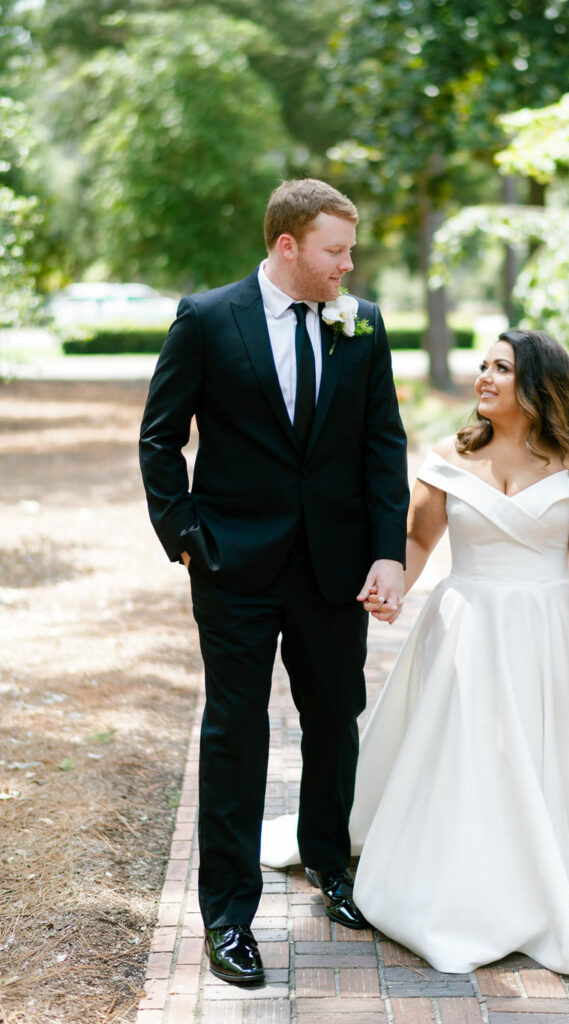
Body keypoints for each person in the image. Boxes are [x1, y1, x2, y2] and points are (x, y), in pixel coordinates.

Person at [260, 328, 569, 975]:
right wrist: (392, 588)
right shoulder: (448, 457)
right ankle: (469, 866)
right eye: (483, 365)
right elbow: (417, 541)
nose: (484, 376)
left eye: (502, 367)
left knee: (549, 752)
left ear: (537, 387)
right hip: (467, 624)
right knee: (468, 748)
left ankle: (556, 863)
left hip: (549, 627)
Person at [138, 178, 409, 987]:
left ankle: (332, 867)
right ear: (287, 246)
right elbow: (160, 438)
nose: (347, 265)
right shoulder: (207, 318)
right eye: (336, 250)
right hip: (234, 566)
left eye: (350, 249)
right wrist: (184, 534)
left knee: (336, 717)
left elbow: (381, 444)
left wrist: (387, 552)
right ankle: (228, 916)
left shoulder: (361, 324)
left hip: (334, 566)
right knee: (235, 731)